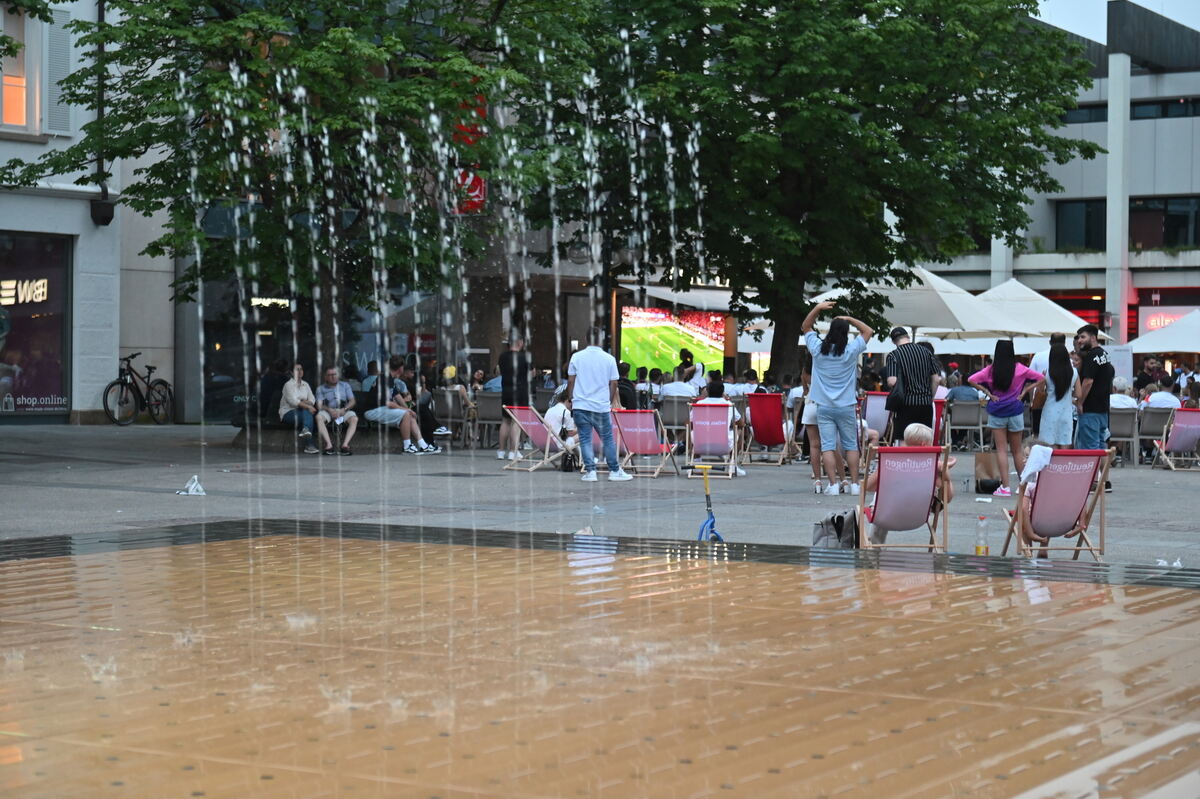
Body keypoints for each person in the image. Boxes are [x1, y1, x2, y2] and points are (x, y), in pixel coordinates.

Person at [802, 300, 873, 496]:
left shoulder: (817, 349)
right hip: (846, 406)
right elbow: (868, 331)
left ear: (830, 332)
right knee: (851, 445)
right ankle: (855, 484)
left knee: (827, 446)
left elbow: (806, 326)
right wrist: (849, 318)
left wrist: (817, 308)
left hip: (824, 406)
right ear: (846, 333)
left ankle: (833, 485)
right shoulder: (850, 351)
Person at [968, 340, 1044, 497]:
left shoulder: (990, 370)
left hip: (997, 411)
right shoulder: (1020, 369)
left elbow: (971, 380)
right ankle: (1023, 485)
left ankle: (1005, 487)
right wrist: (1024, 391)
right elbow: (1042, 378)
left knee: (1001, 450)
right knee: (1017, 451)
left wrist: (988, 393)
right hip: (1015, 410)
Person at [863, 423, 955, 544]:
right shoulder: (933, 466)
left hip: (885, 516)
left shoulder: (891, 461)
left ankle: (874, 547)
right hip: (918, 518)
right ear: (924, 444)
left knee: (882, 493)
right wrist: (946, 476)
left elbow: (868, 487)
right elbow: (947, 498)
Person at [567, 326, 632, 481]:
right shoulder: (608, 359)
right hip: (600, 406)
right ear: (601, 339)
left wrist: (571, 398)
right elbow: (614, 383)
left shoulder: (576, 357)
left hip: (581, 405)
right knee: (607, 439)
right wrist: (608, 400)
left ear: (586, 339)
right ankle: (614, 470)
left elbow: (571, 381)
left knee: (585, 439)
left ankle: (591, 471)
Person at [363, 355, 441, 453]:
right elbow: (388, 403)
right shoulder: (384, 379)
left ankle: (423, 445)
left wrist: (409, 410)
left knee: (410, 415)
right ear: (400, 368)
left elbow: (397, 396)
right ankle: (407, 446)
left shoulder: (389, 378)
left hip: (381, 409)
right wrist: (407, 410)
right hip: (372, 410)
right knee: (406, 414)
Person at [884, 326, 942, 440]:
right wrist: (930, 397)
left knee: (905, 439)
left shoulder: (893, 355)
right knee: (924, 440)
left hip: (905, 405)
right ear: (908, 337)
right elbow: (936, 379)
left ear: (893, 341)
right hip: (926, 405)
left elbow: (892, 381)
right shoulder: (926, 352)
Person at [1074, 325, 1114, 485]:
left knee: (1090, 448)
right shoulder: (1104, 354)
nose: (1080, 340)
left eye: (1083, 337)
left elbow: (1088, 381)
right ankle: (1104, 481)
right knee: (1101, 447)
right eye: (1079, 337)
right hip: (1103, 408)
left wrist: (1080, 402)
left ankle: (1092, 482)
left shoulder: (1091, 356)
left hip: (1090, 409)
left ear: (1093, 337)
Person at [691, 380, 746, 477]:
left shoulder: (699, 404)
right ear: (722, 392)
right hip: (724, 445)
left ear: (707, 391)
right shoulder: (728, 405)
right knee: (739, 430)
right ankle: (733, 465)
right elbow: (741, 424)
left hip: (700, 444)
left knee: (692, 431)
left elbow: (688, 423)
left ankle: (696, 461)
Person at [497, 332, 532, 461]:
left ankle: (501, 451)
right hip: (520, 392)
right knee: (517, 421)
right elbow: (531, 373)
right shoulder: (525, 357)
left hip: (506, 391)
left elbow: (500, 371)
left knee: (505, 420)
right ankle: (513, 451)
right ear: (520, 342)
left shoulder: (502, 357)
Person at [1038, 342, 1079, 449]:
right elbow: (1079, 394)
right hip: (1066, 413)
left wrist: (1042, 381)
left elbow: (1041, 391)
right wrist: (1069, 394)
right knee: (1065, 444)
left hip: (1049, 412)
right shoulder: (1074, 372)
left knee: (1050, 448)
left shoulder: (1047, 372)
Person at [315, 366, 359, 455]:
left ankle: (345, 445)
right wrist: (329, 410)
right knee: (319, 417)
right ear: (326, 377)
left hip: (342, 416)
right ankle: (329, 446)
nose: (333, 376)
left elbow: (352, 401)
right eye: (330, 375)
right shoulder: (320, 388)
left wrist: (344, 409)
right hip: (329, 414)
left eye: (335, 374)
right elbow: (319, 405)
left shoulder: (345, 385)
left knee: (354, 419)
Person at [278, 362, 321, 454]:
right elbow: (292, 401)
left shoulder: (306, 384)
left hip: (302, 412)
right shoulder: (288, 385)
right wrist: (306, 404)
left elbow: (312, 399)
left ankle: (306, 431)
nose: (300, 371)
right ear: (292, 372)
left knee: (307, 412)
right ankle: (309, 444)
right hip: (288, 412)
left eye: (301, 369)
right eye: (297, 369)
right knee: (308, 411)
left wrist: (303, 403)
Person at [1029, 333, 1066, 436]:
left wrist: (1032, 401)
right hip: (1062, 403)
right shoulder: (1068, 360)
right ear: (1064, 343)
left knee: (1039, 434)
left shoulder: (1038, 356)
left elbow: (1030, 380)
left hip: (1040, 400)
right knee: (1059, 435)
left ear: (1050, 342)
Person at [543, 387, 578, 452]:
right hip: (558, 443)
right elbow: (571, 433)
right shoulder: (566, 412)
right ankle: (584, 456)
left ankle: (578, 456)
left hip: (545, 441)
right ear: (568, 400)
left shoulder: (550, 409)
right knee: (584, 434)